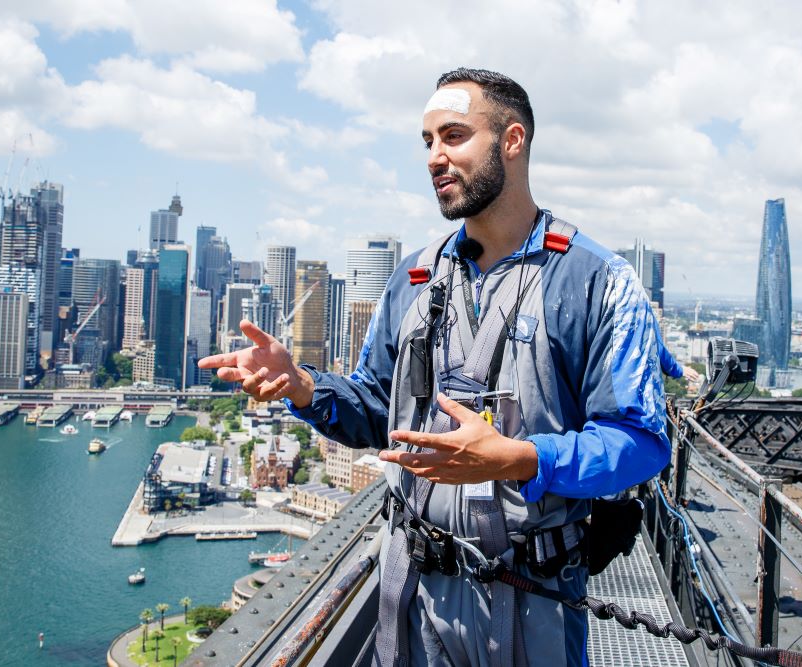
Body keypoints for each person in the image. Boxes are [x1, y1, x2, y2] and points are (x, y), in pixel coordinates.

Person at [199, 68, 670, 667]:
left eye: (453, 136)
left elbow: (642, 441)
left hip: (535, 602)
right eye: (427, 142)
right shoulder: (415, 279)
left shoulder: (595, 282)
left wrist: (524, 460)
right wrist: (302, 385)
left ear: (512, 141)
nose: (434, 157)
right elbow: (378, 409)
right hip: (414, 599)